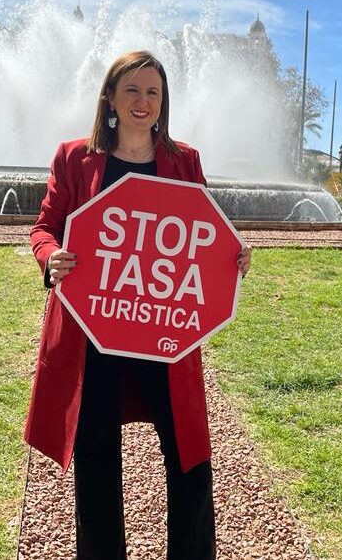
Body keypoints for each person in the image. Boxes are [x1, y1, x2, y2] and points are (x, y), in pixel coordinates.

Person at [26, 51, 252, 559]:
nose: (142, 102)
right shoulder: (73, 157)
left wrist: (232, 256)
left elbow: (202, 233)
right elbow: (45, 226)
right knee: (96, 452)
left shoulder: (184, 160)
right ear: (109, 97)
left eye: (153, 92)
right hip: (93, 330)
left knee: (189, 456)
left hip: (163, 333)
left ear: (163, 101)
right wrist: (49, 257)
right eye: (132, 91)